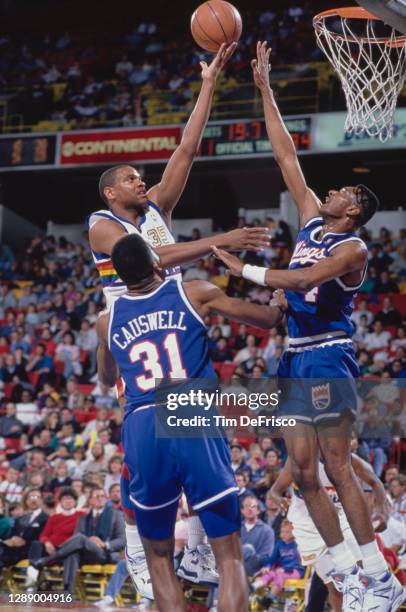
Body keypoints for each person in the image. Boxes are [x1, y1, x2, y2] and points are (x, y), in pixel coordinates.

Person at [212, 41, 405, 611]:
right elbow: (285, 157)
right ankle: (347, 570)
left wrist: (240, 268)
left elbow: (298, 284)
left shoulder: (353, 248)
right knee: (300, 471)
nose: (332, 190)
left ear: (353, 210)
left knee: (338, 462)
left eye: (342, 192)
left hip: (329, 355)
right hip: (294, 356)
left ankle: (379, 578)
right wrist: (265, 88)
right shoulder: (312, 219)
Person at [87, 43, 271, 599]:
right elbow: (152, 259)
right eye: (132, 179)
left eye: (144, 179)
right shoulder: (101, 226)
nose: (142, 184)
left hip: (172, 331)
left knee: (182, 449)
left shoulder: (153, 211)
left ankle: (185, 551)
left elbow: (187, 151)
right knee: (154, 459)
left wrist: (209, 83)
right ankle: (144, 552)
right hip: (138, 329)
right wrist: (221, 242)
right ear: (110, 192)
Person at [95, 233, 287, 612]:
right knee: (229, 556)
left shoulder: (106, 320)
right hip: (187, 404)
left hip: (141, 421)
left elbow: (105, 377)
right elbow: (267, 320)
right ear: (156, 264)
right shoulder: (193, 291)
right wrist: (279, 302)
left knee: (159, 559)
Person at [270, 454, 389, 611]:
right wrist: (280, 500)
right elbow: (275, 490)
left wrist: (382, 510)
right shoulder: (297, 459)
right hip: (309, 527)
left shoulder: (347, 458)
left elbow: (375, 481)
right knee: (334, 585)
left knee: (364, 572)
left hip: (341, 519)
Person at [32, 486, 125, 593]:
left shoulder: (117, 515)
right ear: (90, 500)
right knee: (72, 553)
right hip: (86, 552)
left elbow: (122, 540)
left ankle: (46, 560)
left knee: (80, 539)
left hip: (104, 553)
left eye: (102, 496)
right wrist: (89, 541)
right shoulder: (83, 517)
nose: (100, 499)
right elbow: (76, 538)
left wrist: (104, 544)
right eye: (96, 496)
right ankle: (67, 591)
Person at [240, 495, 275, 577]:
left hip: (255, 569)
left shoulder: (267, 531)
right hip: (235, 567)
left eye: (253, 506)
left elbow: (266, 556)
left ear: (258, 510)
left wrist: (249, 557)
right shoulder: (235, 529)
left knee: (248, 548)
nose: (250, 509)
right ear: (242, 510)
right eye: (247, 506)